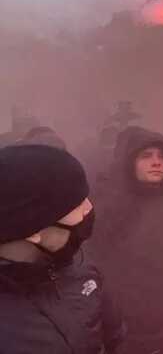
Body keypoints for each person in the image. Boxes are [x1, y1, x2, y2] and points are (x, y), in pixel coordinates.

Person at [0, 144, 125, 353]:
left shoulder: (81, 266)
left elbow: (115, 337)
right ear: (32, 228)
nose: (89, 208)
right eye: (76, 204)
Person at [91, 127, 163, 354]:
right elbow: (96, 263)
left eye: (162, 157)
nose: (156, 162)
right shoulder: (109, 205)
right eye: (146, 156)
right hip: (125, 330)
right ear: (130, 162)